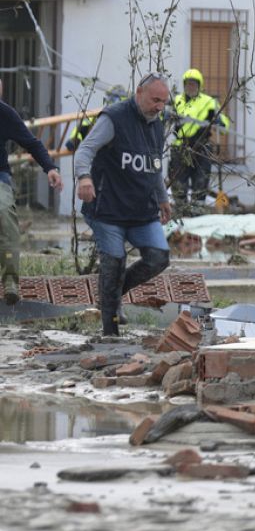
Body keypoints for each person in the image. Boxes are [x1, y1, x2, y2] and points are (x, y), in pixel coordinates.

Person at [74, 73, 173, 336]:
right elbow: (85, 150)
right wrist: (84, 177)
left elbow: (154, 165)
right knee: (115, 261)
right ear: (139, 92)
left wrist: (162, 197)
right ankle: (110, 332)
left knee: (158, 258)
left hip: (141, 210)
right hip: (107, 207)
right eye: (155, 100)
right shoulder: (114, 117)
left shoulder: (156, 124)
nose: (159, 107)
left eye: (164, 102)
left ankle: (113, 295)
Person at [0, 78, 64, 304]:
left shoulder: (5, 113)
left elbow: (33, 144)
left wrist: (50, 168)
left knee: (4, 214)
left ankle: (10, 282)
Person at [169, 68, 229, 208]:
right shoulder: (176, 100)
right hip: (180, 148)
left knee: (201, 184)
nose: (191, 87)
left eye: (194, 84)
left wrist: (220, 122)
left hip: (202, 148)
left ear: (199, 85)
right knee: (178, 186)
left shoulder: (209, 102)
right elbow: (162, 120)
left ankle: (196, 216)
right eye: (188, 84)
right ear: (184, 85)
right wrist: (164, 116)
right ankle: (180, 215)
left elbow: (224, 127)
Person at [66, 85, 129, 152]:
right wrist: (74, 139)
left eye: (113, 98)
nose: (108, 101)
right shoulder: (98, 115)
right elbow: (83, 126)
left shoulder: (127, 117)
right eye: (107, 98)